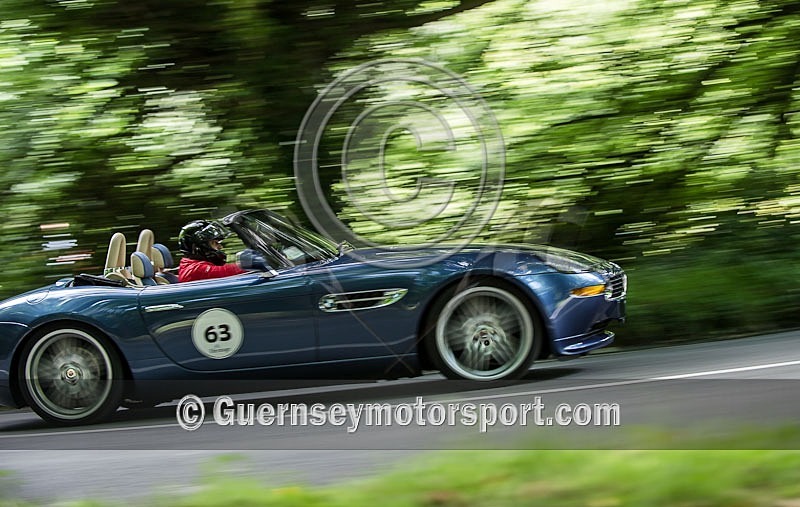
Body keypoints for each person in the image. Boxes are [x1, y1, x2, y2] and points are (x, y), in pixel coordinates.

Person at [177, 220, 247, 283]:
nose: (220, 247)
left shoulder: (191, 266)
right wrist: (250, 264)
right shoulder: (194, 270)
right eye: (215, 243)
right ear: (199, 247)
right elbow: (224, 271)